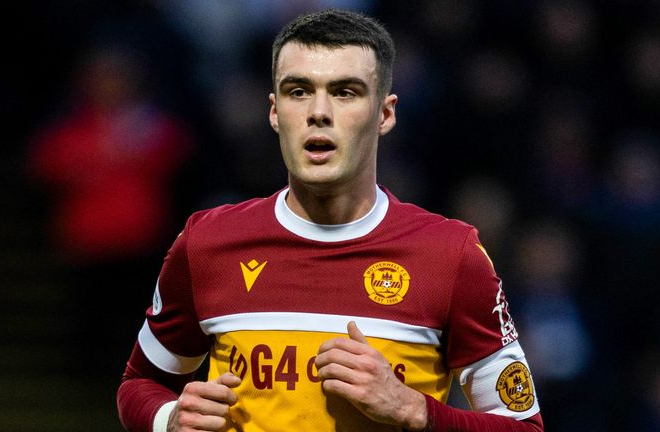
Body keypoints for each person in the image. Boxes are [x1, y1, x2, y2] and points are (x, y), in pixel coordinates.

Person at [117, 9, 543, 432]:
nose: (318, 112)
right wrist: (168, 419)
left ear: (385, 114)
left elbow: (525, 427)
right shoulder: (207, 243)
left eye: (345, 92)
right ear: (274, 111)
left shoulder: (450, 256)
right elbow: (141, 382)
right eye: (298, 91)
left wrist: (415, 410)